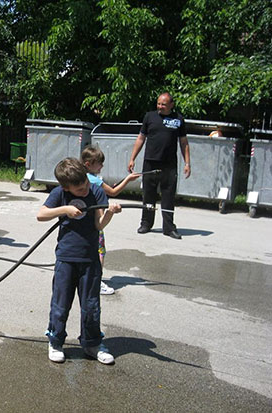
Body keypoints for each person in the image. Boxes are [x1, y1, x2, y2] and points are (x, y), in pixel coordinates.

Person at [37, 157, 122, 364]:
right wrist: (64, 210)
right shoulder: (59, 194)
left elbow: (99, 224)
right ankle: (56, 341)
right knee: (61, 303)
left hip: (90, 258)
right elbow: (41, 214)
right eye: (79, 190)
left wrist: (110, 213)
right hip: (66, 257)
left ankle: (92, 343)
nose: (84, 191)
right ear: (66, 188)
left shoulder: (96, 191)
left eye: (85, 185)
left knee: (91, 304)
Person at [128, 92, 191, 239]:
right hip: (150, 162)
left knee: (168, 196)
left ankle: (169, 228)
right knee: (149, 194)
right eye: (158, 103)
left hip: (169, 164)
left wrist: (187, 162)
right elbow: (140, 138)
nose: (160, 107)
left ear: (171, 105)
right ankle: (146, 223)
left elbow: (184, 143)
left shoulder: (178, 119)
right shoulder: (149, 117)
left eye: (163, 104)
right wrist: (132, 158)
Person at [81, 145, 140, 295]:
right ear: (89, 164)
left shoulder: (81, 176)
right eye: (99, 163)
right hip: (97, 220)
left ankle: (88, 278)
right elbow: (113, 192)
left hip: (84, 222)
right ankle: (96, 281)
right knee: (100, 251)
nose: (102, 166)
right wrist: (128, 179)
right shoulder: (93, 179)